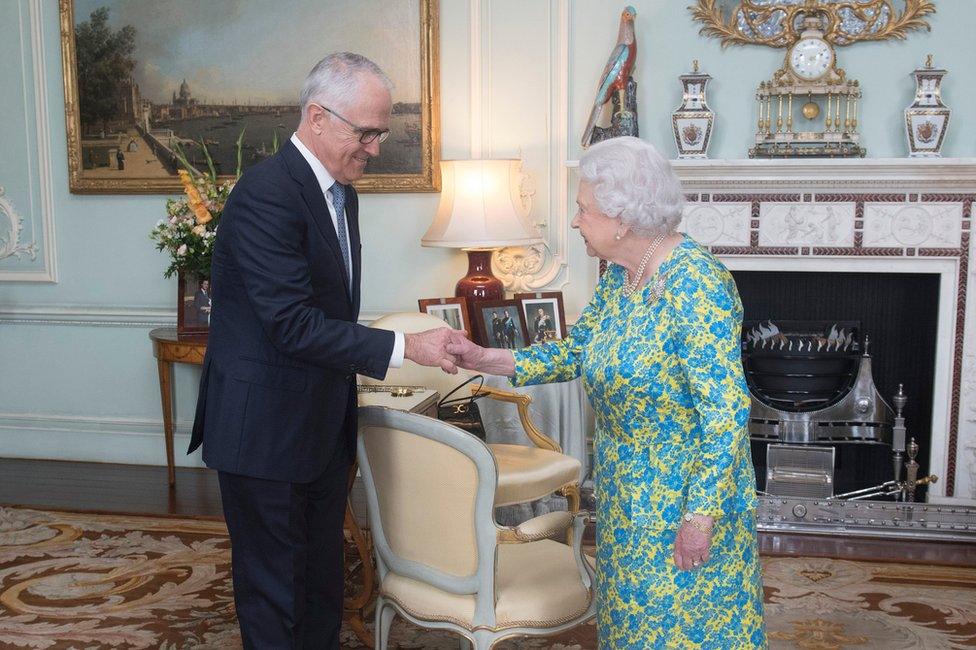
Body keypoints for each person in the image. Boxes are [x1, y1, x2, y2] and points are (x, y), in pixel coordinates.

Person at [447, 136, 767, 648]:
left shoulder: (696, 284)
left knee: (685, 629)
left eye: (583, 209)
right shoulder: (622, 276)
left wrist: (700, 517)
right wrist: (489, 359)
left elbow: (727, 412)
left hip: (681, 497)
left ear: (623, 218)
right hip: (624, 490)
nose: (575, 221)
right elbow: (577, 353)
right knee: (633, 627)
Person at [188, 52, 457, 649]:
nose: (377, 147)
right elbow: (291, 324)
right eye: (366, 132)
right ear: (317, 118)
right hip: (265, 433)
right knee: (273, 597)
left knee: (319, 589)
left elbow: (328, 314)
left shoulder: (339, 191)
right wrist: (406, 345)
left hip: (316, 426)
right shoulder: (267, 194)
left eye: (382, 132)